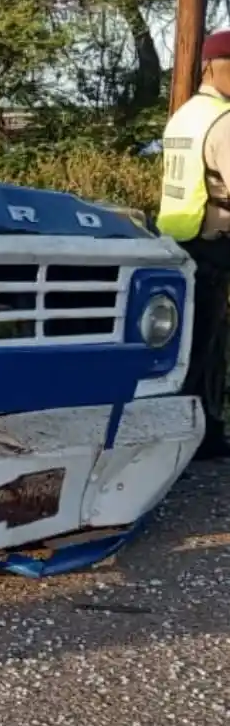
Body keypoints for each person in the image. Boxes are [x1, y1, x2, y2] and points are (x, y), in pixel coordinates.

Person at [157, 30, 230, 459]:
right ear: (211, 67)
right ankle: (204, 433)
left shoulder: (184, 115)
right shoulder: (223, 121)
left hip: (179, 236)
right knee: (209, 343)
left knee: (188, 340)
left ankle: (185, 427)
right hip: (216, 238)